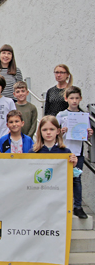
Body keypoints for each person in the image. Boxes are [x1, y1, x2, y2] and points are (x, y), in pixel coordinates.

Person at [24, 115, 77, 265]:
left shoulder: (65, 152)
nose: (48, 133)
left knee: (59, 234)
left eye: (51, 129)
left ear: (58, 131)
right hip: (38, 201)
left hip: (58, 202)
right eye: (45, 129)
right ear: (40, 132)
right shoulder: (33, 152)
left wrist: (73, 164)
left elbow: (72, 177)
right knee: (39, 233)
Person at [56, 86, 93, 219]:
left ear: (80, 99)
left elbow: (85, 135)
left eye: (77, 98)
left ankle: (77, 206)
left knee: (76, 179)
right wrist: (61, 131)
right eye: (72, 98)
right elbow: (53, 133)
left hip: (78, 152)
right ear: (66, 99)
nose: (74, 101)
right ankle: (60, 206)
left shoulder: (84, 116)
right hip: (63, 151)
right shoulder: (61, 115)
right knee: (61, 179)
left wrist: (89, 134)